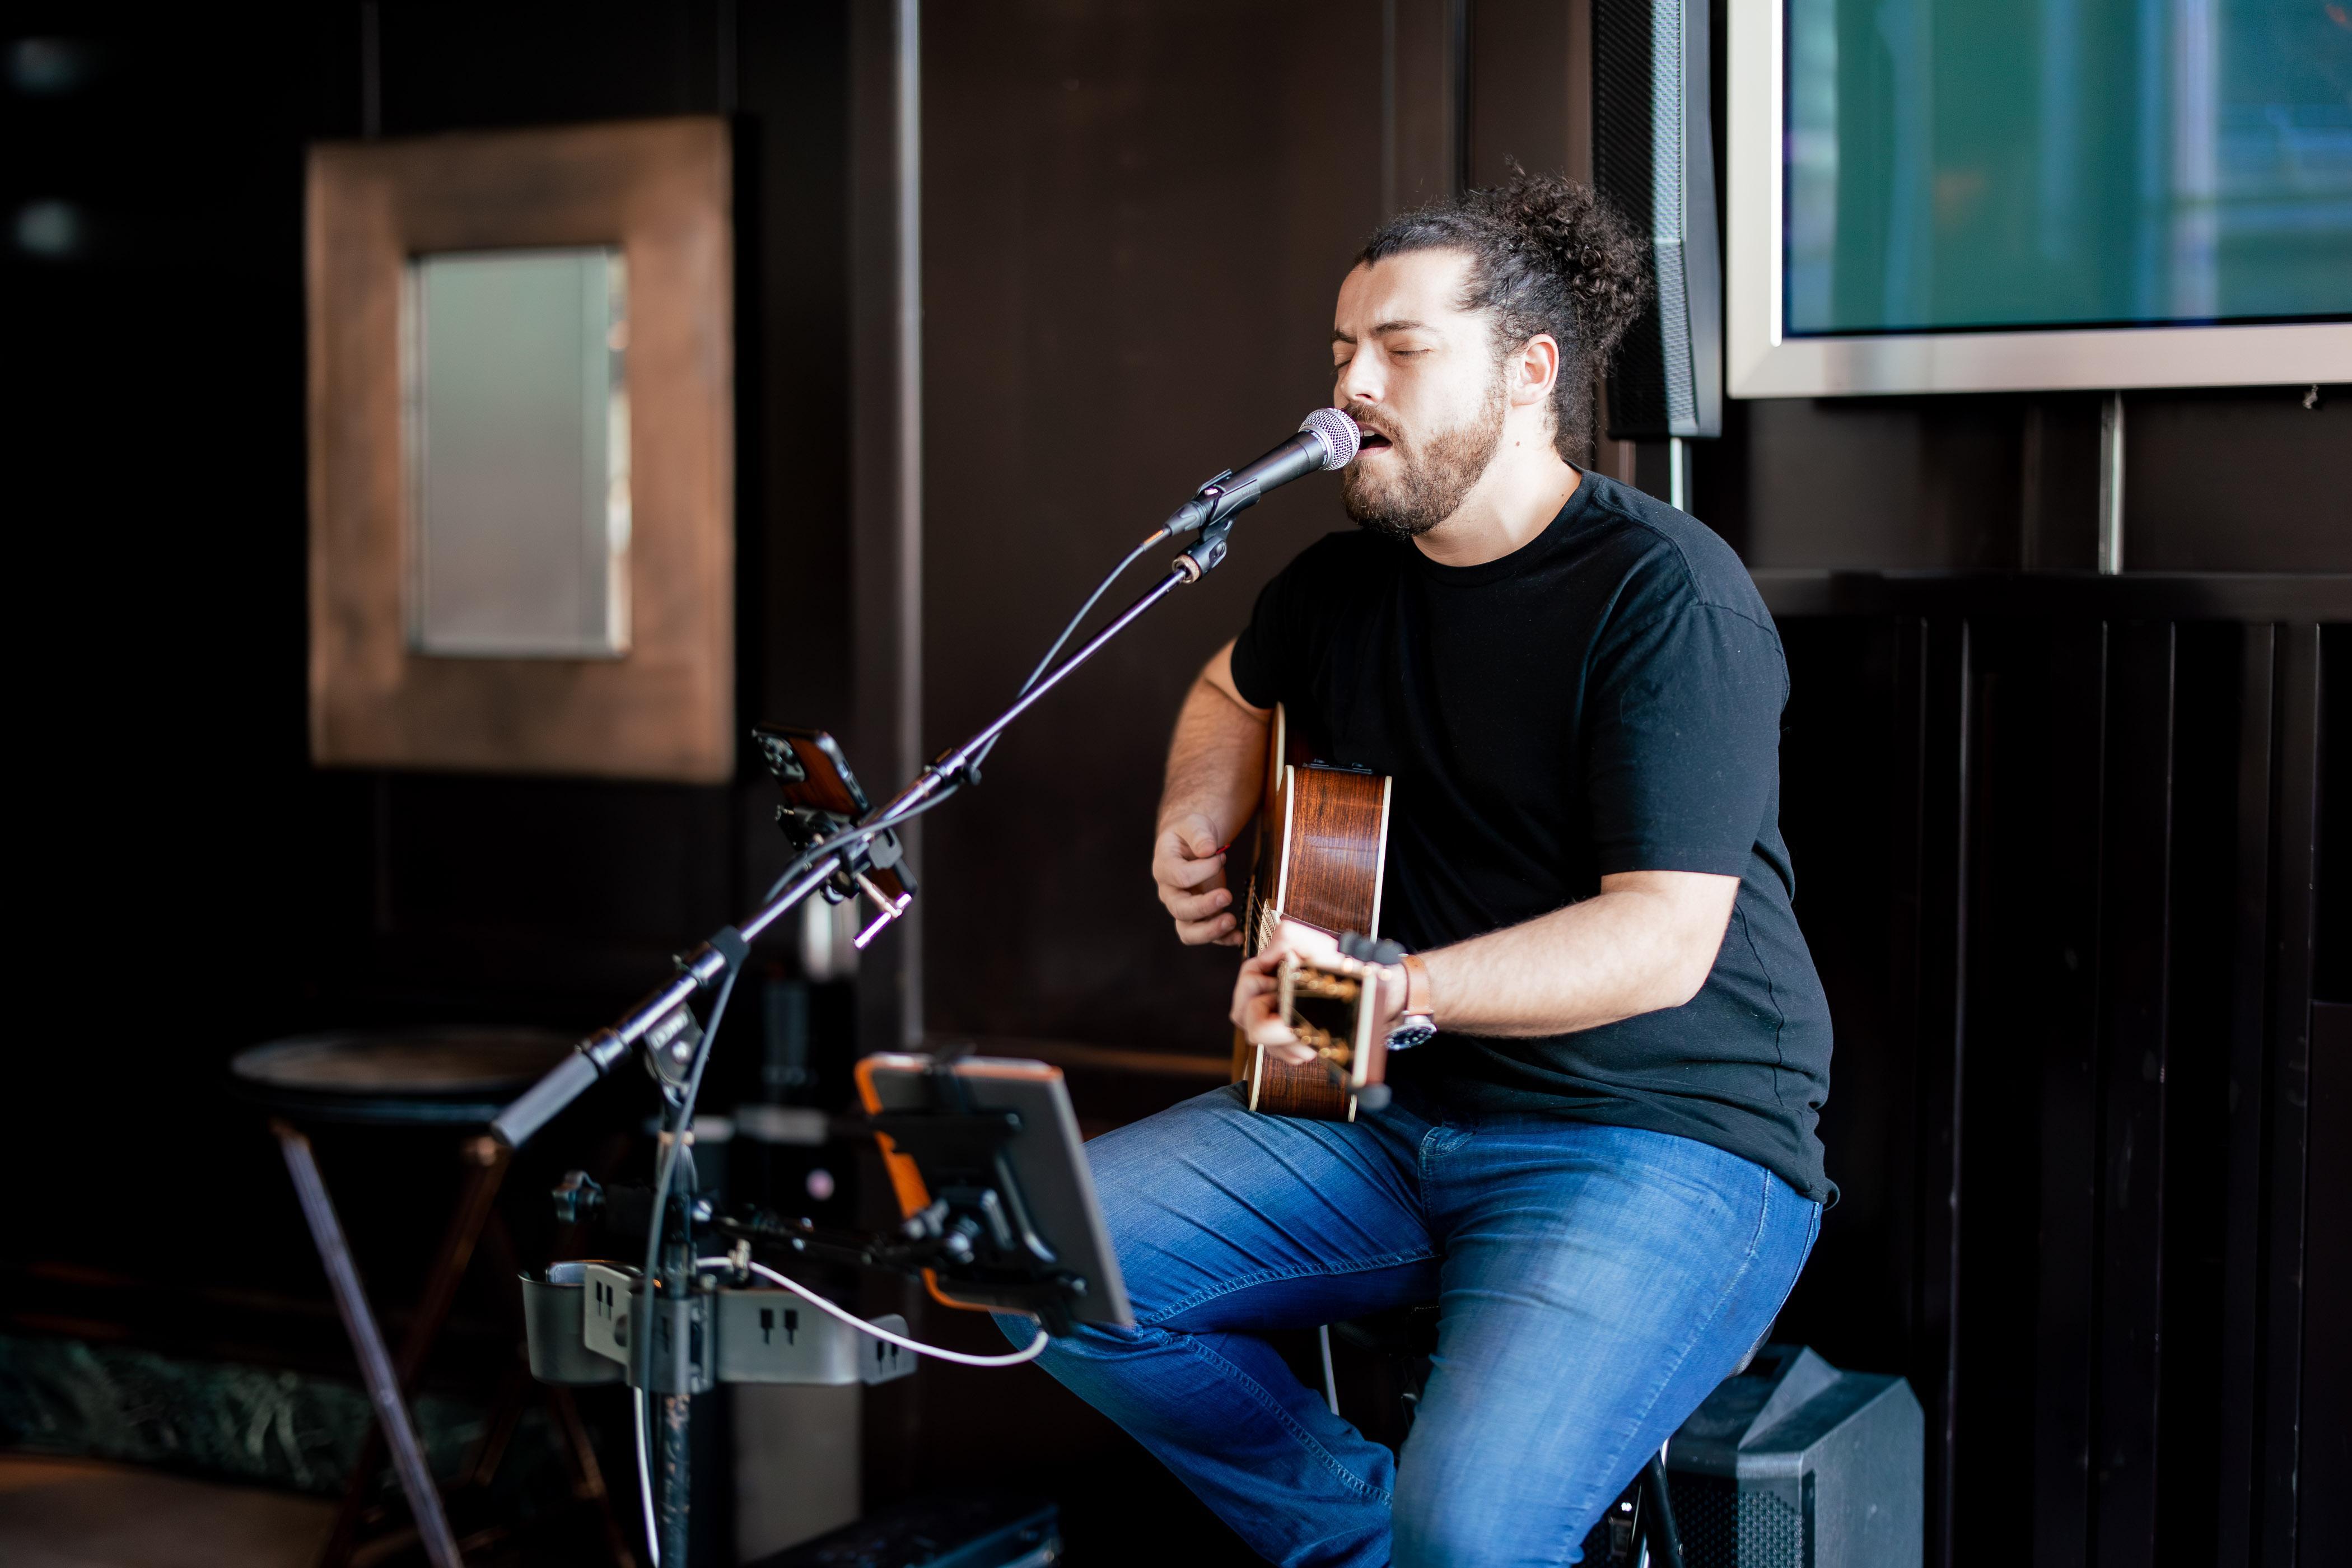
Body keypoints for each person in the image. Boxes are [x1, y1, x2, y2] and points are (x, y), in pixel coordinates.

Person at [1004, 172, 1833, 1567]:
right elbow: (1229, 687)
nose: (1351, 386)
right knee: (1034, 1254)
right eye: (1342, 351)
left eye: (1402, 347)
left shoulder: (1665, 595)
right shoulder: (1337, 588)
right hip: (1383, 1116)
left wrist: (1398, 989)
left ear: (1530, 372)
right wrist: (1197, 810)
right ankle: (1359, 1537)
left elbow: (1662, 940)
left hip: (1662, 1135)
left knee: (1477, 1526)